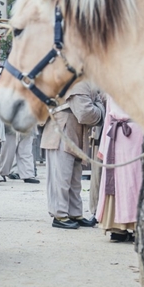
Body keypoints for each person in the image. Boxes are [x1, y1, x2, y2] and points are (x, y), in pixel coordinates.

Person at [41, 80, 104, 229]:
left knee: (75, 177)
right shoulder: (78, 82)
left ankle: (74, 213)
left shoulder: (86, 80)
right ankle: (60, 215)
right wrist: (100, 109)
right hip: (60, 132)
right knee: (60, 177)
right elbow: (85, 113)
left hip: (74, 132)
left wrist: (97, 105)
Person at [96, 97, 143, 242]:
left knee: (121, 180)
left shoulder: (112, 85)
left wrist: (103, 147)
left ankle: (117, 228)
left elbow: (108, 119)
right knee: (135, 180)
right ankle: (136, 227)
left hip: (118, 134)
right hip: (135, 134)